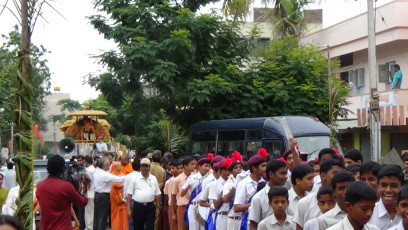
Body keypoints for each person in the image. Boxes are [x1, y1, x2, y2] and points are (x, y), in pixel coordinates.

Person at [36, 154, 88, 230]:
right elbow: (82, 202)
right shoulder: (66, 186)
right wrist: (85, 187)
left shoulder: (40, 186)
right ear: (63, 168)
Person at [293, 159, 345, 230]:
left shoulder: (345, 203)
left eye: (342, 174)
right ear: (323, 176)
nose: (341, 178)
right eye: (336, 174)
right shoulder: (305, 203)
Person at [248, 159, 288, 230]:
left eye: (286, 173)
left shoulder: (288, 193)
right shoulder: (258, 198)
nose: (286, 177)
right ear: (271, 174)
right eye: (282, 173)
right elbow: (253, 225)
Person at [234, 148, 268, 229]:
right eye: (263, 166)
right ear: (254, 168)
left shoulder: (266, 183)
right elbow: (236, 208)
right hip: (249, 223)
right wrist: (255, 204)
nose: (266, 168)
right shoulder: (243, 184)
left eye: (266, 165)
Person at [126, 158, 161, 230]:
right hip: (138, 207)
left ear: (149, 167)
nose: (145, 168)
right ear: (140, 167)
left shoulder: (153, 179)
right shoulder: (135, 178)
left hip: (150, 206)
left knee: (150, 227)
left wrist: (158, 208)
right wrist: (128, 208)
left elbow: (158, 194)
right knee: (138, 227)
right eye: (143, 166)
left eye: (147, 166)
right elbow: (129, 194)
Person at [93, 157, 126, 230]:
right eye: (108, 164)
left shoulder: (96, 172)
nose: (109, 166)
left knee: (97, 216)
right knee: (102, 218)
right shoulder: (104, 174)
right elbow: (118, 179)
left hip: (97, 195)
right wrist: (130, 176)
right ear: (104, 166)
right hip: (103, 197)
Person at [181, 156, 211, 230]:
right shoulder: (192, 178)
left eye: (209, 166)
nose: (207, 168)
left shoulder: (210, 179)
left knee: (204, 228)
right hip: (193, 207)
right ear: (199, 166)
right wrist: (189, 185)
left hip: (205, 207)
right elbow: (182, 194)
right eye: (205, 166)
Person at [368, 165, 403, 229]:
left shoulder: (405, 212)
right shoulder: (369, 212)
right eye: (384, 185)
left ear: (402, 187)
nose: (388, 190)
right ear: (378, 186)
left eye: (394, 186)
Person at [171, 156, 196, 230]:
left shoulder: (195, 178)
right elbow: (173, 197)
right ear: (185, 166)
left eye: (194, 164)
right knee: (182, 228)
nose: (194, 166)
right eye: (192, 164)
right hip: (182, 207)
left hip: (193, 206)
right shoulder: (177, 179)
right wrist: (173, 212)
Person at [208, 158, 232, 230]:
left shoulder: (234, 182)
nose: (228, 172)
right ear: (220, 170)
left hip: (233, 216)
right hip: (222, 216)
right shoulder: (214, 184)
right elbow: (216, 205)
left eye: (229, 170)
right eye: (225, 170)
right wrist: (226, 189)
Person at [222, 151, 244, 230]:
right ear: (230, 171)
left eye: (240, 167)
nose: (239, 170)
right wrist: (234, 187)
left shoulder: (246, 182)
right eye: (236, 168)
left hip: (244, 218)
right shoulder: (229, 183)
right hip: (233, 218)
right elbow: (225, 199)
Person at [164, 160, 181, 230]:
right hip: (171, 205)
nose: (171, 170)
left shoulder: (182, 180)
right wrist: (166, 206)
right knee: (173, 224)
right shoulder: (168, 182)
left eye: (173, 168)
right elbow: (166, 195)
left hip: (180, 204)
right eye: (170, 169)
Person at [110, 162, 128, 230]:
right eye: (119, 166)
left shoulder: (122, 174)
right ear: (115, 167)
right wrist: (124, 184)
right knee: (115, 213)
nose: (121, 167)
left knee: (123, 213)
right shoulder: (112, 175)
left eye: (121, 166)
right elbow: (115, 185)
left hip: (122, 198)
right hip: (115, 198)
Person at [124, 159, 141, 230]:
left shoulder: (128, 176)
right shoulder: (141, 177)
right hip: (139, 201)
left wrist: (126, 201)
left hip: (130, 201)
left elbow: (125, 191)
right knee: (140, 221)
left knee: (131, 222)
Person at [83, 156, 95, 230]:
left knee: (89, 211)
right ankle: (89, 226)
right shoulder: (94, 169)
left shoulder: (88, 170)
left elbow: (88, 182)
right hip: (93, 191)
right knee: (90, 210)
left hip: (90, 191)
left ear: (86, 162)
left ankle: (89, 227)